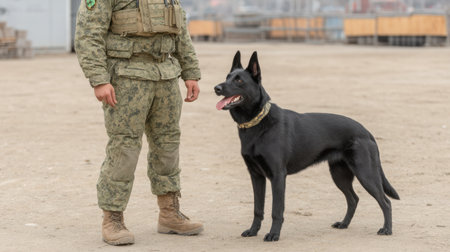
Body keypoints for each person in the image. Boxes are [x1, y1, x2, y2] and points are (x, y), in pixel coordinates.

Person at [75, 0, 203, 246]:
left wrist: (191, 72)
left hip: (165, 76)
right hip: (126, 76)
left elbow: (181, 33)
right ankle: (112, 218)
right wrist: (99, 79)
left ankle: (169, 214)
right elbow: (88, 34)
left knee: (168, 145)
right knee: (124, 148)